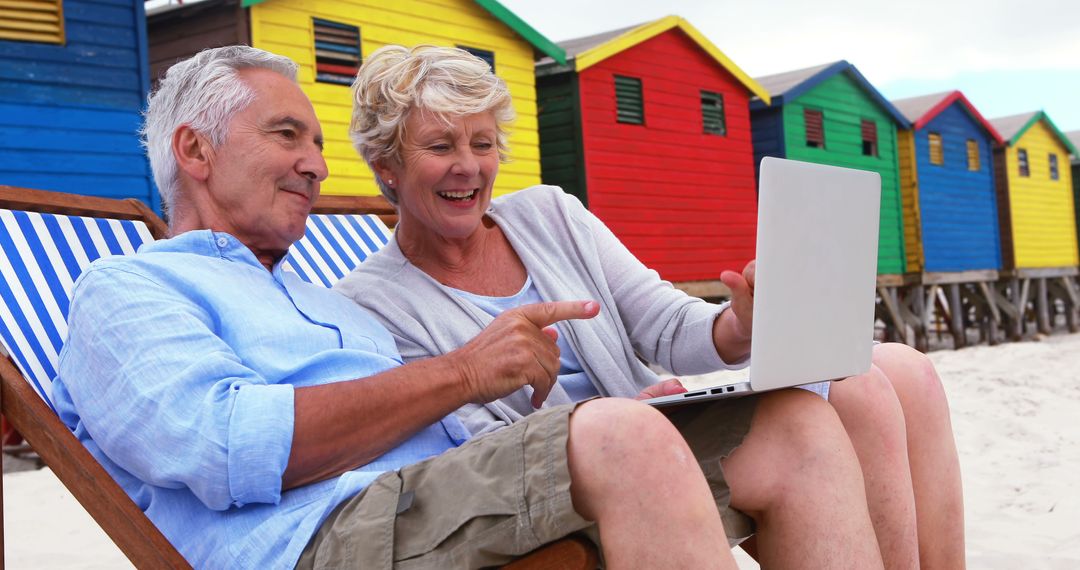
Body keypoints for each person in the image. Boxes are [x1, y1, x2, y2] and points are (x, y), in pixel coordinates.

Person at [51, 45, 883, 569]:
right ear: (194, 149)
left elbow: (460, 435)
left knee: (794, 424)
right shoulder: (129, 290)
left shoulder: (308, 299)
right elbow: (229, 448)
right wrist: (465, 373)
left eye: (315, 141)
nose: (314, 163)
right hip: (324, 538)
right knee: (623, 434)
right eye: (285, 136)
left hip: (430, 498)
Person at [335, 45, 964, 569]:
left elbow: (663, 324)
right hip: (571, 475)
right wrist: (604, 421)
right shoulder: (370, 304)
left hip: (663, 420)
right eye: (442, 146)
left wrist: (738, 325)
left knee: (897, 369)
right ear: (385, 164)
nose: (469, 167)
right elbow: (461, 458)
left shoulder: (551, 214)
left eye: (483, 143)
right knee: (825, 410)